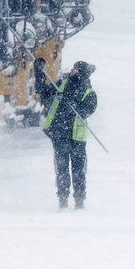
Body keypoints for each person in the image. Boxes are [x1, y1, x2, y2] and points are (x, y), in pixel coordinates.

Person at [35, 60, 97, 210]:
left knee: (78, 170)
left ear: (81, 72)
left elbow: (89, 108)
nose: (72, 70)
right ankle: (62, 199)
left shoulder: (88, 91)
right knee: (62, 169)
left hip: (76, 137)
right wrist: (38, 73)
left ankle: (79, 201)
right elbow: (42, 91)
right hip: (59, 133)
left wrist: (73, 104)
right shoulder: (62, 83)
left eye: (75, 69)